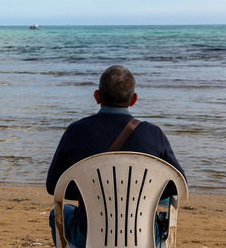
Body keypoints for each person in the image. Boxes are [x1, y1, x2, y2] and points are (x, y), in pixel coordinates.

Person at [46, 65, 186, 248]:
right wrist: (140, 193)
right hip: (143, 237)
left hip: (88, 236)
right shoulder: (153, 134)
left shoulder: (75, 131)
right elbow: (177, 186)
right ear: (134, 99)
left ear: (97, 96)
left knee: (59, 213)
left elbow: (54, 186)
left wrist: (92, 191)